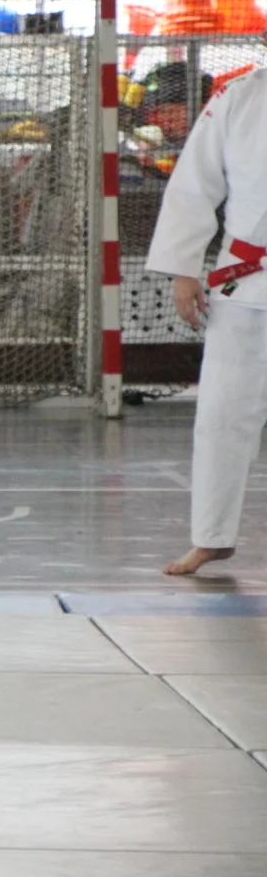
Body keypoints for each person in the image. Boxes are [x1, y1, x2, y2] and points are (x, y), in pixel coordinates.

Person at [146, 63, 267, 576]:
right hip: (246, 278)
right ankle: (212, 538)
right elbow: (194, 185)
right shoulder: (240, 97)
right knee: (223, 414)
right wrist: (183, 268)